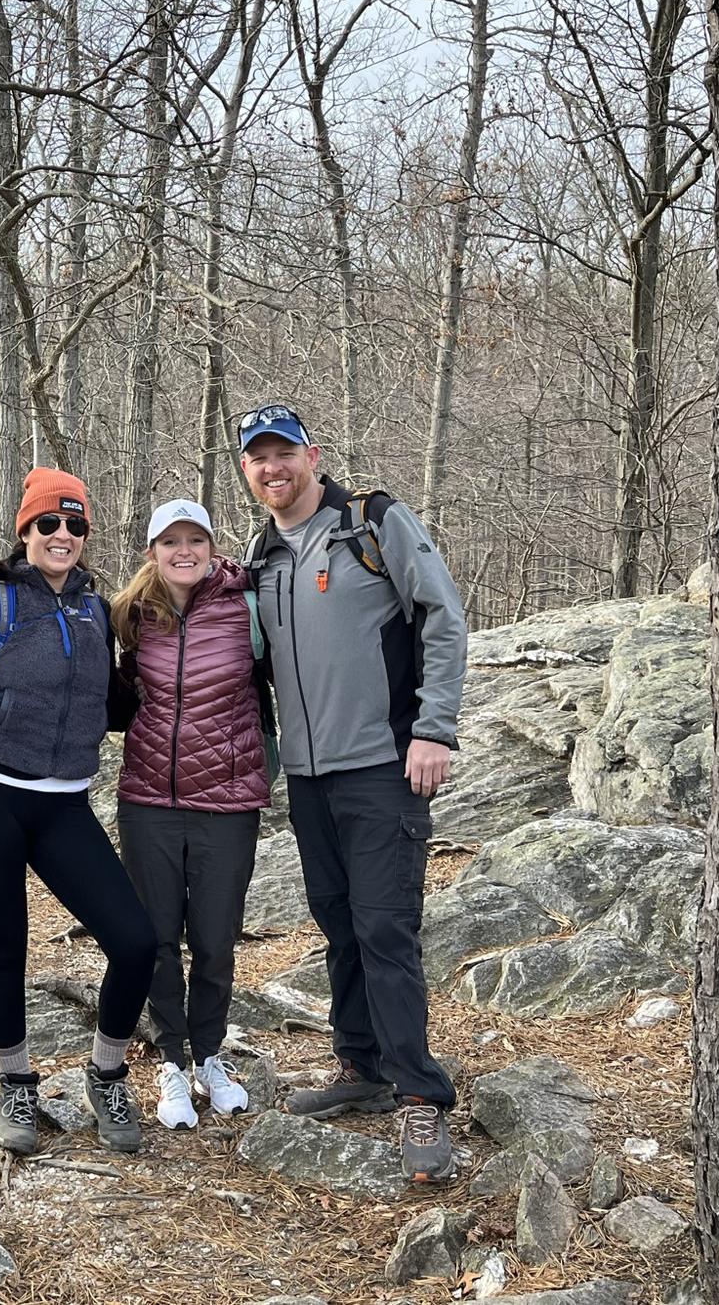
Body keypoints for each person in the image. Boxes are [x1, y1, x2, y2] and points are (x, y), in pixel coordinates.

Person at [237, 403, 467, 1183]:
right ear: (247, 471)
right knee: (337, 924)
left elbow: (442, 616)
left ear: (313, 455)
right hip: (307, 776)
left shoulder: (372, 522)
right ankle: (360, 1064)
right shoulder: (261, 554)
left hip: (383, 766)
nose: (273, 469)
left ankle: (418, 1091)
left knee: (385, 929)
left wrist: (433, 728)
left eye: (284, 454)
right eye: (257, 459)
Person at [0, 468, 157, 1156]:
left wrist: (150, 669)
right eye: (48, 524)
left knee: (136, 942)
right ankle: (16, 1086)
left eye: (75, 525)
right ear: (24, 530)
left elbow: (108, 709)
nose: (62, 536)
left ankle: (106, 1072)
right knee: (5, 947)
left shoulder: (97, 612)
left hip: (64, 805)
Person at [111, 498, 272, 1131]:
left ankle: (210, 1054)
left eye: (195, 540)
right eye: (170, 541)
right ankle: (170, 1061)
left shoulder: (247, 606)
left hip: (228, 802)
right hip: (148, 798)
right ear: (152, 551)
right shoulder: (131, 615)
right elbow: (115, 694)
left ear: (211, 547)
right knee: (154, 940)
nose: (184, 551)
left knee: (214, 938)